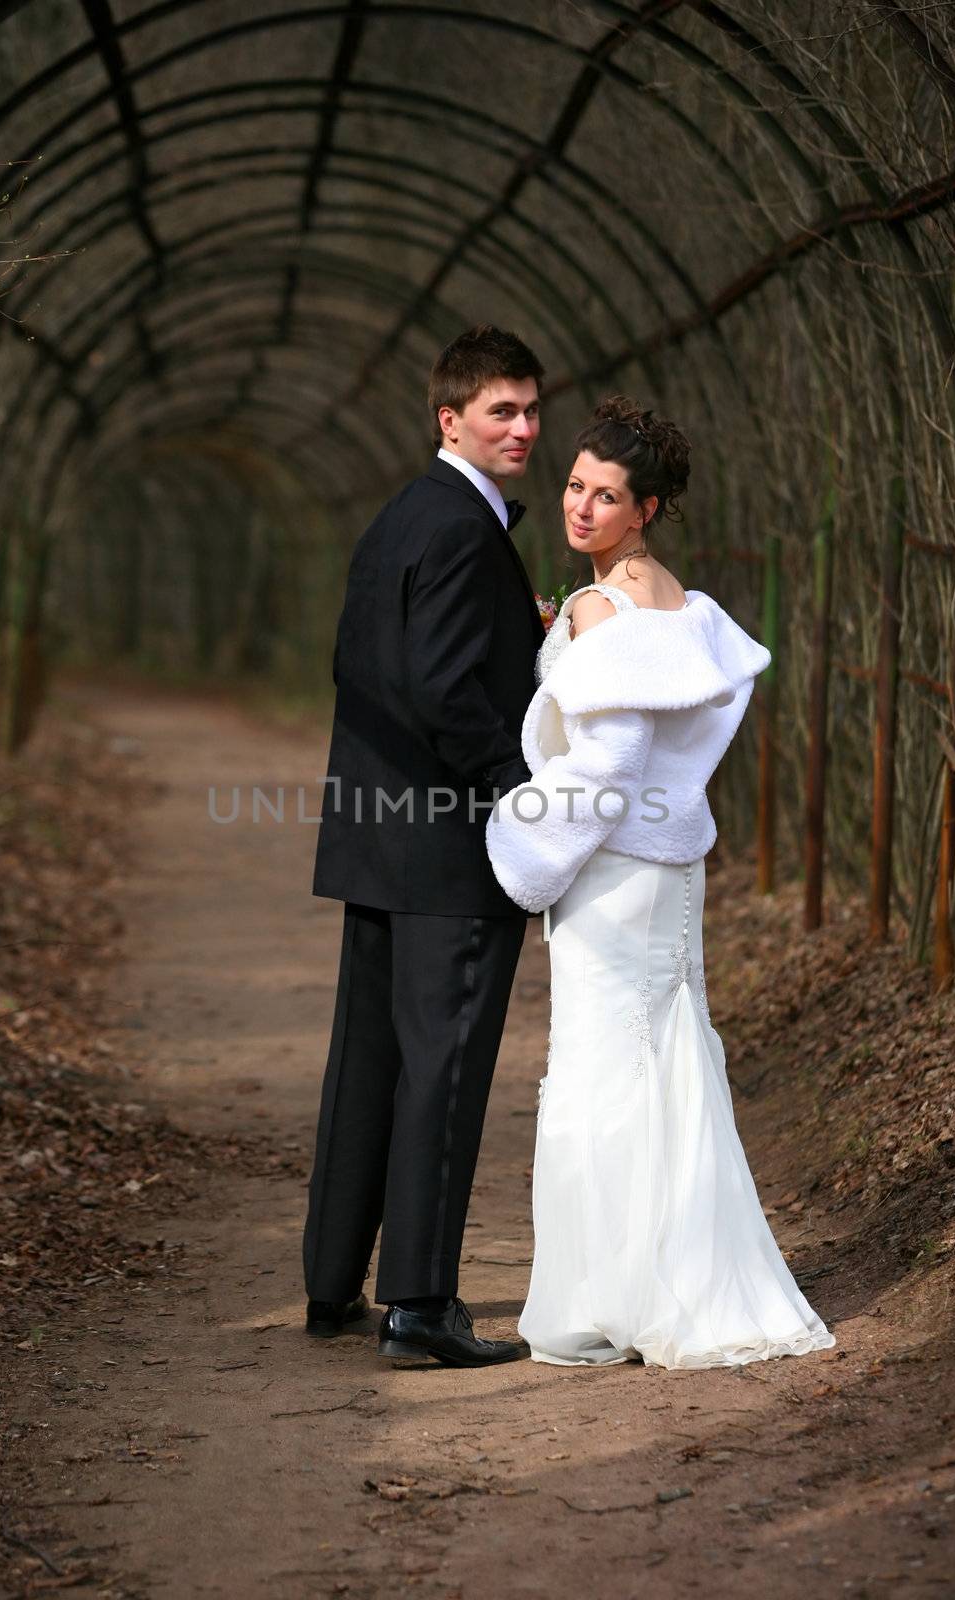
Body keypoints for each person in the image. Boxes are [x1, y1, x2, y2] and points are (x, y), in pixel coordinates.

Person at [486, 397, 836, 1368]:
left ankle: (616, 1294)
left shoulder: (605, 607)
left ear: (644, 509)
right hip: (671, 867)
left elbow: (610, 760)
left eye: (605, 496)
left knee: (602, 1072)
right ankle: (680, 1275)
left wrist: (518, 834)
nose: (581, 508)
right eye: (572, 486)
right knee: (670, 1061)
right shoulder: (675, 600)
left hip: (614, 870)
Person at [305, 325, 546, 1367]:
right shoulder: (459, 527)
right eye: (501, 410)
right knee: (440, 1070)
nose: (524, 428)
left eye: (532, 409)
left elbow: (362, 661)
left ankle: (330, 1285)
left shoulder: (403, 514)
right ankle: (418, 1308)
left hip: (380, 842)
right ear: (449, 417)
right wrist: (516, 795)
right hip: (446, 850)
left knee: (370, 1064)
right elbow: (443, 687)